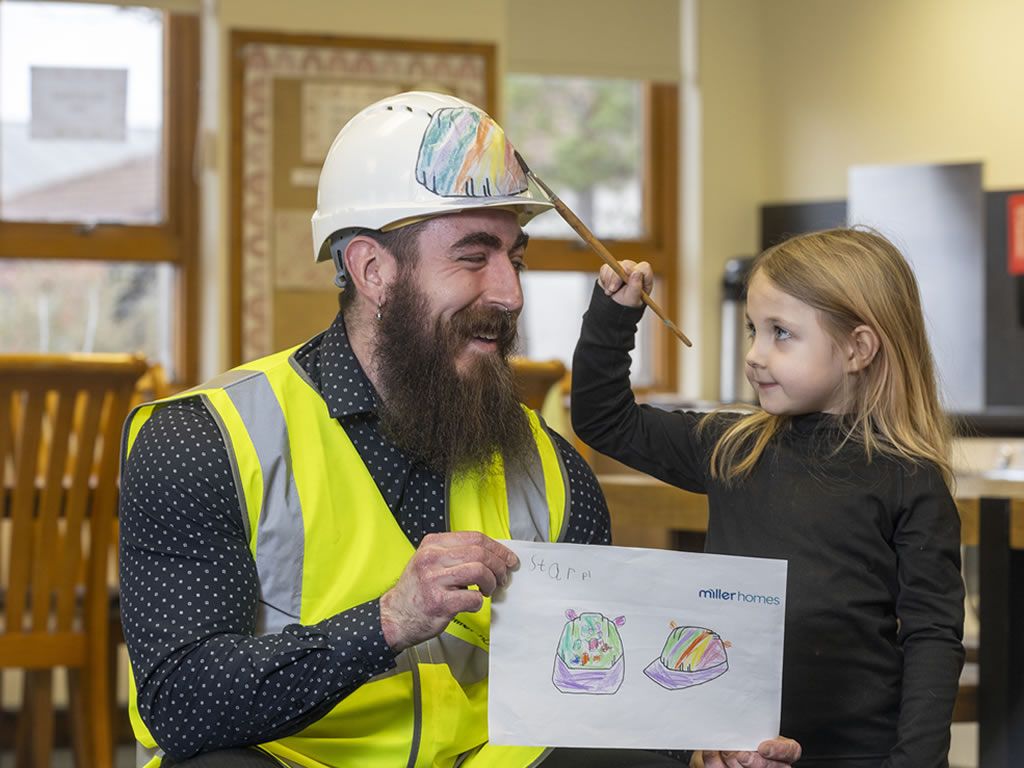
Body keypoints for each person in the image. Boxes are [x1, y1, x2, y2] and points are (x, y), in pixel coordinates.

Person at [119, 91, 801, 768]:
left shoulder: (551, 468)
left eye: (516, 257)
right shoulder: (200, 440)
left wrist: (693, 743)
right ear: (373, 270)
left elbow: (592, 684)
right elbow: (181, 703)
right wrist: (387, 621)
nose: (509, 293)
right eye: (474, 257)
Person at [571, 227, 966, 768]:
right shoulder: (734, 445)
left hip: (861, 754)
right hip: (741, 749)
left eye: (781, 333)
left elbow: (932, 634)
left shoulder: (910, 477)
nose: (755, 354)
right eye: (754, 329)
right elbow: (603, 418)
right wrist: (614, 316)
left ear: (858, 347)